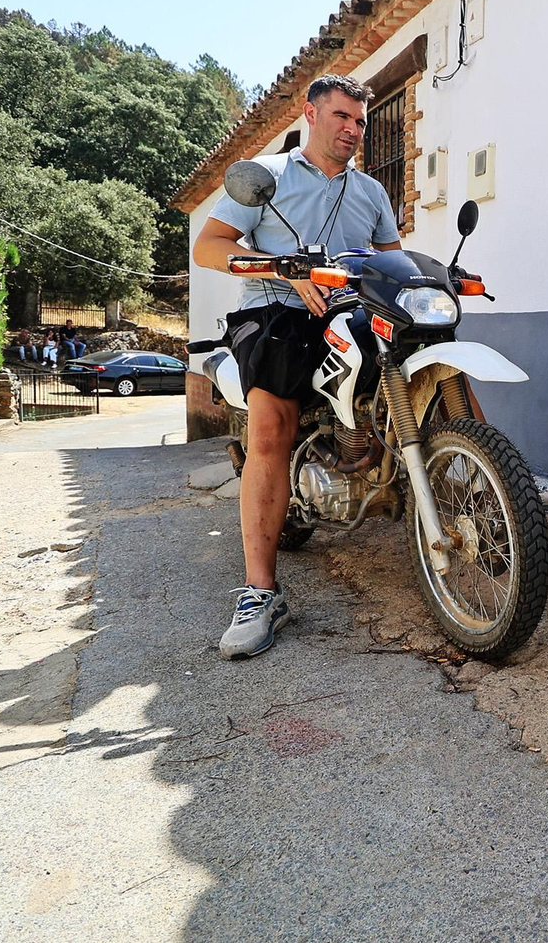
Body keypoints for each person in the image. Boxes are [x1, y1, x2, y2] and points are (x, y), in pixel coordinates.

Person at [193, 74, 402, 660]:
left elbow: (392, 259)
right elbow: (208, 246)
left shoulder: (370, 193)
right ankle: (261, 592)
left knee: (425, 349)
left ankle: (497, 478)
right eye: (341, 116)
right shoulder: (269, 176)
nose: (352, 130)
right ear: (310, 114)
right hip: (277, 313)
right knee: (270, 433)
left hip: (351, 311)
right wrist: (280, 268)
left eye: (360, 121)